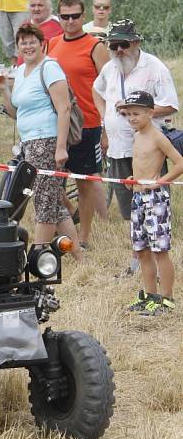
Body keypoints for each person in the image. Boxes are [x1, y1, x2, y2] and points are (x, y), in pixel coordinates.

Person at [92, 19, 178, 272]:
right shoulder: (109, 68)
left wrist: (137, 110)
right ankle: (139, 257)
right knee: (129, 209)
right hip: (118, 147)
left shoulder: (154, 67)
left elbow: (171, 104)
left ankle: (152, 260)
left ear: (137, 42)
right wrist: (104, 118)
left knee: (152, 206)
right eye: (114, 45)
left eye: (124, 44)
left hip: (147, 149)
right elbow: (96, 90)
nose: (119, 50)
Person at [0, 24, 81, 260]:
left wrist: (61, 147)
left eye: (31, 41)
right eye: (23, 42)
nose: (27, 46)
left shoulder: (50, 68)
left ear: (41, 43)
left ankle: (36, 256)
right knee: (53, 202)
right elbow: (15, 113)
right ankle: (78, 256)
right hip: (29, 143)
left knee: (44, 202)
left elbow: (64, 109)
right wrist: (4, 89)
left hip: (47, 141)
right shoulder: (20, 70)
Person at [49, 0, 110, 248]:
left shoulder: (95, 46)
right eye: (65, 16)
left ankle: (84, 236)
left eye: (75, 16)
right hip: (56, 124)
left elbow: (108, 88)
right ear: (59, 18)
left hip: (88, 124)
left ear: (83, 16)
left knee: (85, 182)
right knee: (52, 180)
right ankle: (63, 223)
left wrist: (106, 129)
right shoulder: (51, 43)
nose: (70, 21)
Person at [118, 91, 183, 316]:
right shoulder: (137, 136)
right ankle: (150, 296)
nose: (132, 118)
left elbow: (179, 163)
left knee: (159, 250)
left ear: (150, 112)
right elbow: (141, 166)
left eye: (137, 113)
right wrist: (131, 180)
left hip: (155, 199)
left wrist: (161, 182)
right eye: (128, 114)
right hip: (137, 197)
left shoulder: (158, 137)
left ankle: (167, 299)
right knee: (142, 249)